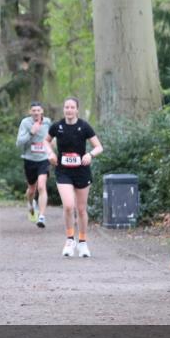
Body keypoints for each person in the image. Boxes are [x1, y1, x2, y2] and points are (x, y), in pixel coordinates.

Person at [45, 97, 103, 258]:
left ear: (77, 109)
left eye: (72, 107)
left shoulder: (84, 127)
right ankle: (70, 240)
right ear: (64, 110)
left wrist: (90, 154)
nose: (69, 110)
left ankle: (83, 242)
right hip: (63, 171)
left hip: (82, 171)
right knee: (69, 206)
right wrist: (50, 153)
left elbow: (99, 147)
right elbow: (45, 142)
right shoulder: (57, 126)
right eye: (66, 107)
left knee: (81, 209)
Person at [16, 102, 51, 228]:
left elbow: (51, 138)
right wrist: (31, 133)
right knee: (31, 189)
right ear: (30, 112)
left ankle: (41, 216)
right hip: (29, 159)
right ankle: (31, 204)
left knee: (41, 186)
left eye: (38, 110)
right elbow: (19, 143)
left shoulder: (47, 122)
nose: (36, 113)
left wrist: (52, 150)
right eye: (33, 110)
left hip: (44, 159)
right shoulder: (25, 123)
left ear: (42, 111)